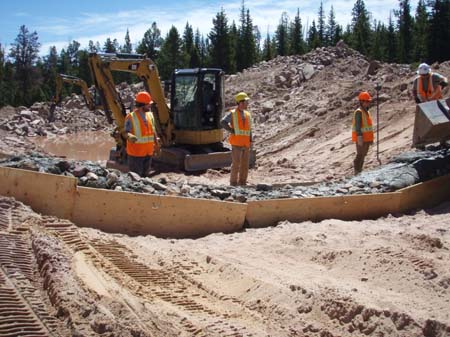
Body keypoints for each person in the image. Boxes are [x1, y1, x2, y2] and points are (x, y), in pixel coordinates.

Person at [221, 92, 252, 186]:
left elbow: (249, 129)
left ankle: (243, 182)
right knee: (236, 164)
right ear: (240, 102)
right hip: (236, 143)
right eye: (246, 102)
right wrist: (231, 130)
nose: (247, 104)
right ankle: (233, 183)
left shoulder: (247, 114)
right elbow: (223, 122)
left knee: (245, 165)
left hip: (246, 143)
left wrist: (251, 140)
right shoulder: (233, 113)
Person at [124, 91, 159, 177]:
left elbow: (153, 130)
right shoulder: (131, 117)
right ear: (142, 105)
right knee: (135, 178)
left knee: (145, 177)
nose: (150, 105)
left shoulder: (150, 115)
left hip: (148, 152)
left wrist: (157, 144)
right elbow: (125, 132)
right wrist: (129, 136)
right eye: (148, 104)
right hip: (136, 154)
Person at [352, 91, 374, 175]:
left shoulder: (366, 112)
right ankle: (357, 170)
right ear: (362, 102)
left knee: (364, 154)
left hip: (367, 138)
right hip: (361, 138)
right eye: (367, 101)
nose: (368, 103)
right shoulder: (359, 112)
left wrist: (370, 139)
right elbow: (358, 125)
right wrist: (359, 136)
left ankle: (360, 170)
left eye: (369, 101)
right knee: (360, 154)